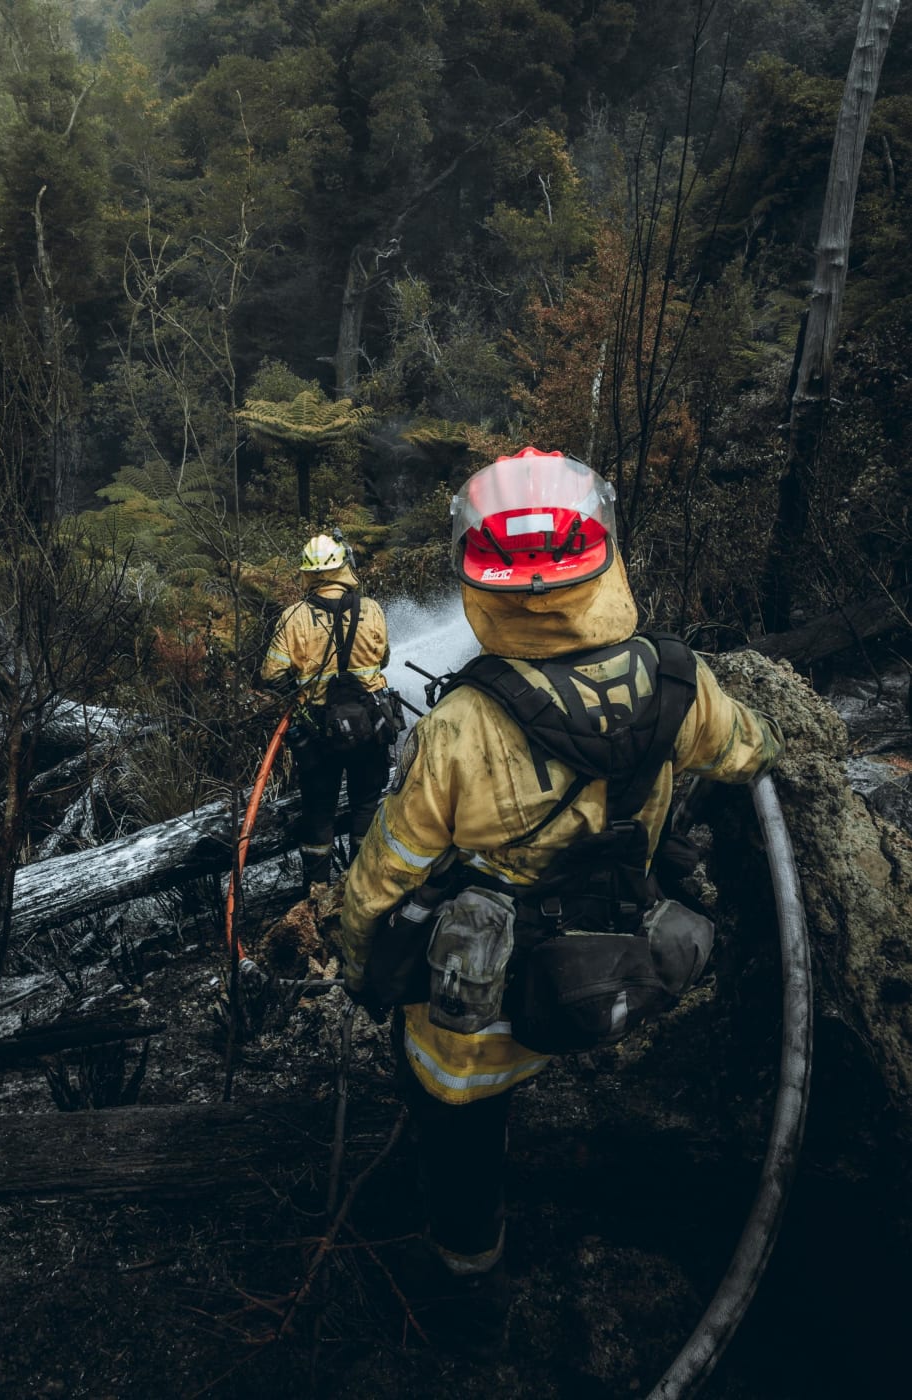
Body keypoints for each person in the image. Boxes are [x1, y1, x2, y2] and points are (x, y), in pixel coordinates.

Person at [338, 446, 784, 1337]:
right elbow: (755, 750)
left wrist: (357, 954)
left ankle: (468, 1277)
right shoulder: (677, 680)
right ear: (604, 556)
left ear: (481, 579)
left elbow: (390, 867)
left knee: (454, 1115)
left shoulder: (463, 724)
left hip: (487, 1006)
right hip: (618, 958)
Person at [262, 532, 393, 889]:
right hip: (370, 729)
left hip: (317, 736)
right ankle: (361, 888)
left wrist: (301, 694)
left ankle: (315, 896)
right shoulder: (372, 609)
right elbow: (383, 659)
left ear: (308, 573)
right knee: (367, 804)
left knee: (318, 814)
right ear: (343, 566)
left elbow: (271, 675)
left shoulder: (293, 618)